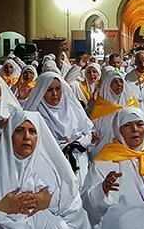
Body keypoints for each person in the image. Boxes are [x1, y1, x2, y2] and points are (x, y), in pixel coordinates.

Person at [22, 71, 95, 200]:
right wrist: (60, 147)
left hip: (78, 161)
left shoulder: (72, 107)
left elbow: (88, 131)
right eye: (49, 90)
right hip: (50, 165)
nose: (55, 94)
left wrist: (78, 143)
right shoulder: (34, 114)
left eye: (58, 89)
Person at [87, 71, 139, 156]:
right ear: (108, 85)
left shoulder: (131, 105)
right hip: (104, 153)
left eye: (121, 81)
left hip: (126, 153)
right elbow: (93, 132)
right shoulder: (100, 107)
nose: (119, 84)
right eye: (115, 82)